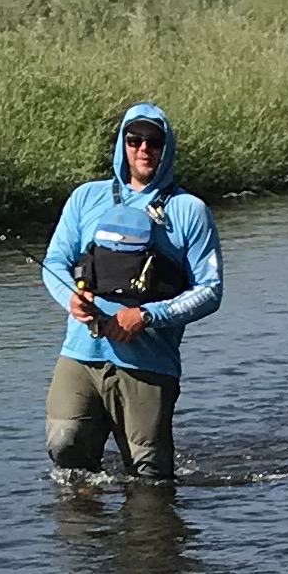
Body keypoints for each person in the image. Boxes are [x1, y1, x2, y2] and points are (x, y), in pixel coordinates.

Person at [42, 103, 223, 485]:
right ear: (123, 145)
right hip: (82, 354)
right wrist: (70, 300)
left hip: (150, 364)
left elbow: (210, 291)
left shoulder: (190, 211)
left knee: (149, 477)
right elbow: (55, 262)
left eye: (154, 142)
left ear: (166, 148)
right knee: (65, 445)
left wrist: (146, 316)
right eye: (135, 140)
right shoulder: (85, 198)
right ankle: (84, 537)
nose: (144, 149)